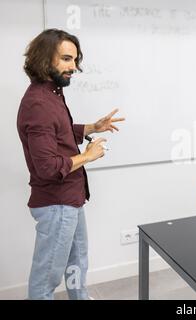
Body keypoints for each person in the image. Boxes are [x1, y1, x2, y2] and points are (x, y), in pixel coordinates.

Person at [17, 29, 125, 299]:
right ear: (44, 59)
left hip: (71, 199)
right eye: (66, 59)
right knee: (46, 280)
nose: (74, 67)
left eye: (75, 60)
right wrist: (87, 156)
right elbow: (48, 167)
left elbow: (59, 132)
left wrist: (92, 126)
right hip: (56, 204)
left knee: (77, 267)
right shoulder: (39, 104)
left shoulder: (52, 94)